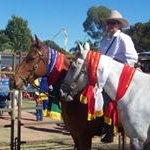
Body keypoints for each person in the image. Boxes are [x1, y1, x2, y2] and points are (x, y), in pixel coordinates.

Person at [99, 9, 138, 143]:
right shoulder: (104, 41)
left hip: (119, 77)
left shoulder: (124, 38)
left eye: (114, 23)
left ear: (119, 25)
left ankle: (110, 129)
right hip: (103, 76)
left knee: (107, 99)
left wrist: (116, 68)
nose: (110, 25)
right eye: (109, 23)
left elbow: (132, 58)